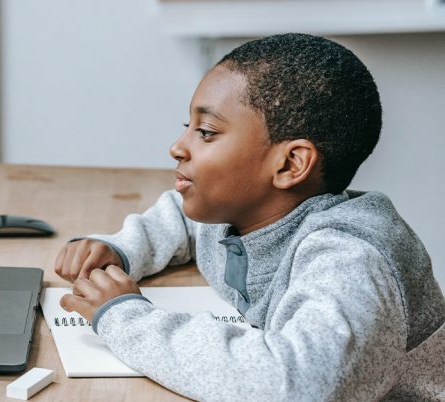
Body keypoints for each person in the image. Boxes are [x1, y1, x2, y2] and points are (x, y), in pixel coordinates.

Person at [54, 33, 445, 401]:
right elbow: (184, 218)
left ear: (290, 165)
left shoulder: (351, 261)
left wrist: (125, 317)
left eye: (206, 132)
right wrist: (123, 249)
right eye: (188, 127)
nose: (177, 147)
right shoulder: (242, 212)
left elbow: (295, 385)